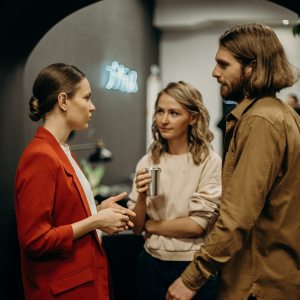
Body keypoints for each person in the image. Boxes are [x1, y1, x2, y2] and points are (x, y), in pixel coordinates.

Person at [167, 23, 300, 300]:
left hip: (256, 283)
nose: (215, 73)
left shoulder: (260, 121)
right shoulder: (281, 114)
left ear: (251, 67)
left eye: (223, 65)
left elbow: (238, 214)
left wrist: (191, 279)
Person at [15, 63, 136, 300]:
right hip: (64, 290)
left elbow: (64, 216)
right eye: (87, 97)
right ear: (63, 101)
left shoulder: (61, 150)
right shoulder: (40, 155)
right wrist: (95, 221)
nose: (92, 106)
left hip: (83, 282)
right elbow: (36, 240)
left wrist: (98, 210)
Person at [127, 81, 222, 300]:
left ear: (193, 118)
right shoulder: (148, 161)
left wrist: (152, 225)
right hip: (150, 263)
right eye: (160, 111)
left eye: (174, 113)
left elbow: (196, 226)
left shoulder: (208, 161)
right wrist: (141, 196)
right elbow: (136, 227)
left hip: (192, 265)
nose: (164, 120)